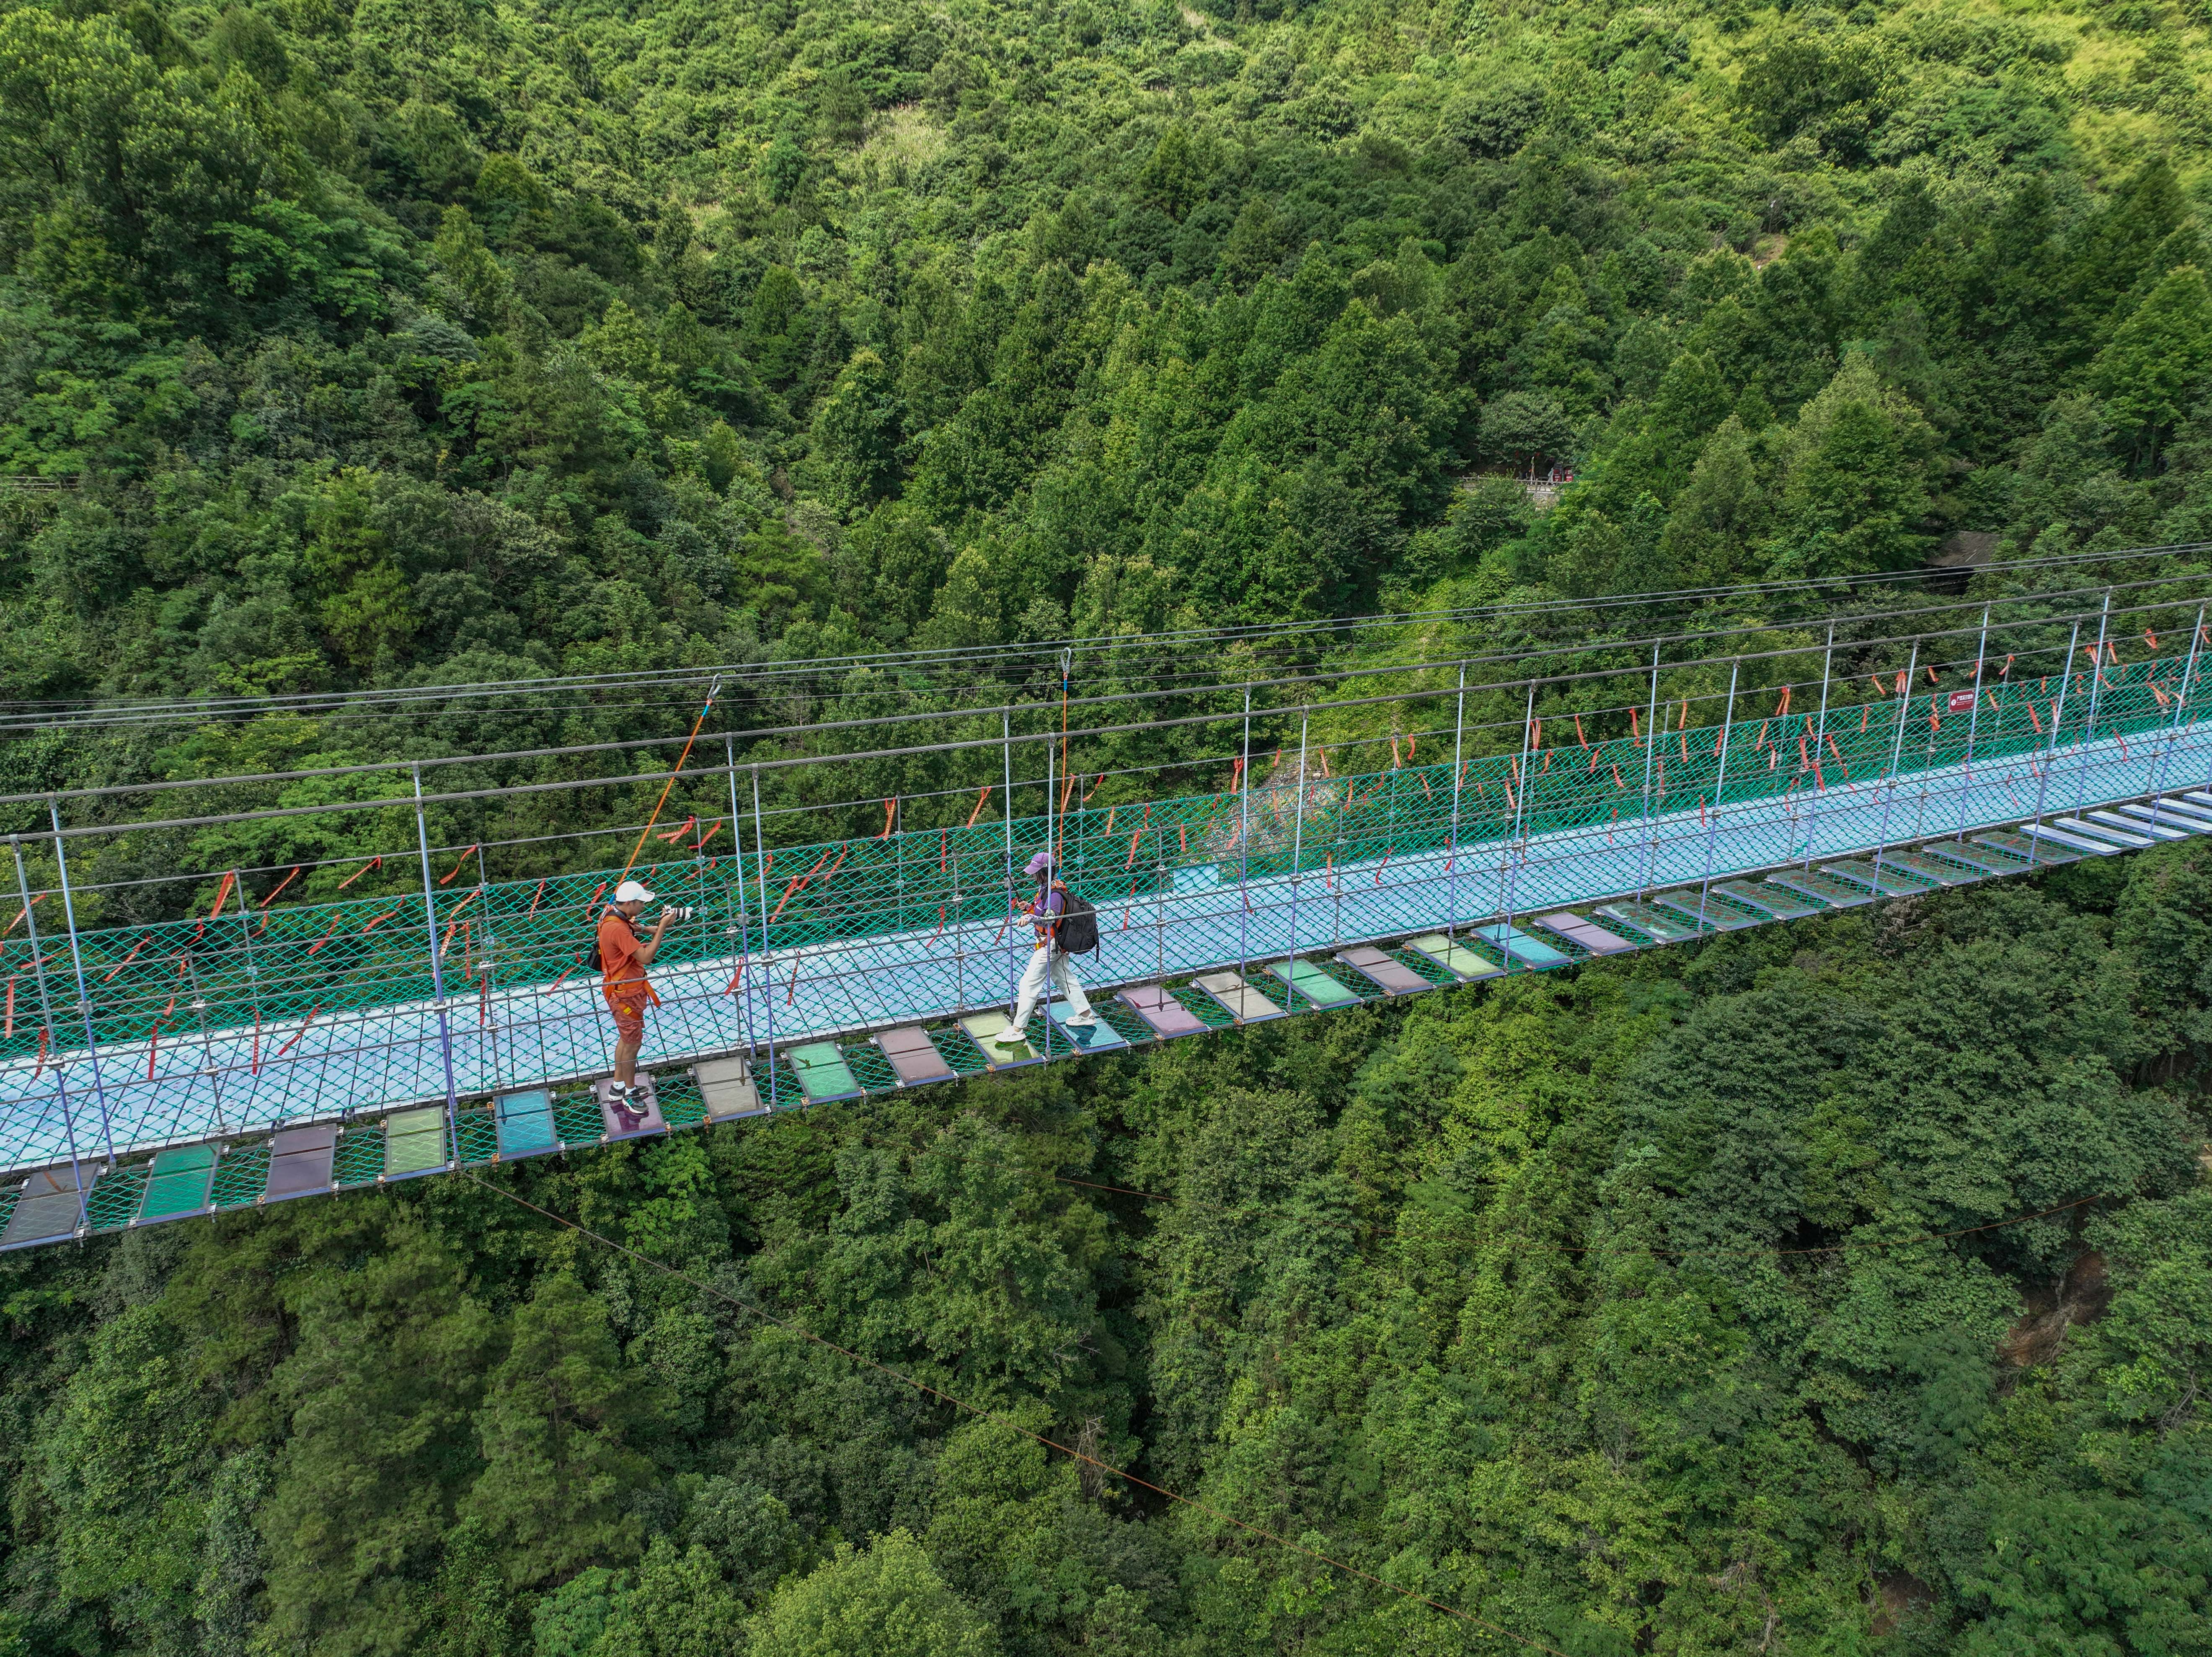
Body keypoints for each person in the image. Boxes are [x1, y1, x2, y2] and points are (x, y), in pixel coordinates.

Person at [1000, 850, 1096, 1048]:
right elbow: (1042, 911)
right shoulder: (1048, 890)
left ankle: (1018, 1029)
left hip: (1049, 945)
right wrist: (1029, 908)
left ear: (1044, 873)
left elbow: (1049, 918)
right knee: (1065, 979)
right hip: (1057, 945)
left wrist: (1030, 918)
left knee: (1028, 984)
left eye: (1036, 872)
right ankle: (1086, 1014)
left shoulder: (1053, 895)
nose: (1034, 876)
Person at [598, 878, 675, 1102]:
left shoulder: (612, 914)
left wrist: (662, 925)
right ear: (630, 903)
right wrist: (661, 928)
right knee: (633, 1045)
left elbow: (639, 928)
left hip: (621, 988)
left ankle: (618, 1086)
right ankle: (630, 1094)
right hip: (626, 994)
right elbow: (647, 957)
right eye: (641, 903)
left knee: (625, 1040)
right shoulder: (618, 928)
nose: (643, 907)